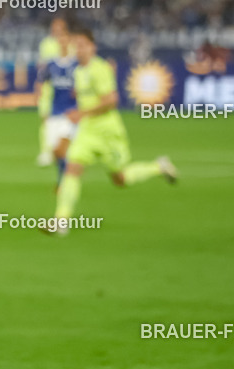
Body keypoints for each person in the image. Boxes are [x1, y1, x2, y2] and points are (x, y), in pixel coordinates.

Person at [49, 27, 178, 235]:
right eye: (76, 46)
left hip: (109, 133)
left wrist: (81, 113)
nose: (78, 50)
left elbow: (111, 101)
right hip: (88, 131)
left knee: (120, 179)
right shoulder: (79, 71)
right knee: (72, 168)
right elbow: (83, 94)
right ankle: (61, 220)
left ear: (92, 47)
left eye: (82, 45)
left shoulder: (99, 69)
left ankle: (158, 167)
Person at [36, 27, 78, 184]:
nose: (62, 41)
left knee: (63, 149)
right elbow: (41, 80)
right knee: (56, 152)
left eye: (65, 37)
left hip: (70, 113)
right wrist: (39, 94)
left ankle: (64, 182)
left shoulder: (76, 64)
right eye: (59, 38)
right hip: (55, 111)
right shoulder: (51, 63)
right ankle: (64, 177)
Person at [36, 17, 68, 167]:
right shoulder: (46, 44)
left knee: (65, 121)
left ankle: (61, 150)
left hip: (64, 87)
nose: (56, 32)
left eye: (59, 29)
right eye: (54, 28)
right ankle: (46, 151)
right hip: (49, 87)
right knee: (46, 119)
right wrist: (40, 86)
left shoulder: (70, 44)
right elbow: (43, 66)